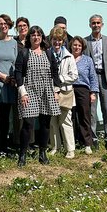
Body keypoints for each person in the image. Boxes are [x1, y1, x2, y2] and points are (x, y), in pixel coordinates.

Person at [15, 26, 61, 167]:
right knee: (28, 124)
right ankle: (22, 154)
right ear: (29, 37)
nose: (36, 37)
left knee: (45, 124)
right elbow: (18, 73)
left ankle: (42, 152)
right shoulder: (24, 53)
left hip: (47, 91)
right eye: (33, 35)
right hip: (29, 91)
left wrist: (56, 91)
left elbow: (55, 72)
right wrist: (22, 92)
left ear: (42, 37)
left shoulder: (48, 53)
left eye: (38, 34)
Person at [84, 14, 107, 152]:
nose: (96, 25)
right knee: (92, 110)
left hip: (105, 78)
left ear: (102, 25)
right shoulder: (85, 42)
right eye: (93, 23)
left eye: (98, 23)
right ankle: (93, 138)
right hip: (92, 79)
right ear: (90, 25)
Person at [0, 14, 18, 155]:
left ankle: (3, 146)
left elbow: (16, 62)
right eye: (0, 23)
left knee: (6, 117)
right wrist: (0, 75)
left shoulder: (14, 43)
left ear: (9, 25)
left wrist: (12, 78)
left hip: (9, 83)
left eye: (5, 23)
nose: (3, 25)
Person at [49, 27, 78, 159]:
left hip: (65, 92)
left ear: (63, 41)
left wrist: (60, 79)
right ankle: (55, 146)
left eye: (60, 40)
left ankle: (70, 149)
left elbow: (74, 75)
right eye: (55, 39)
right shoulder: (46, 54)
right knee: (52, 121)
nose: (57, 42)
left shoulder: (69, 56)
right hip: (50, 92)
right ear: (51, 40)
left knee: (65, 121)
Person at [71, 36, 98, 155]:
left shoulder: (87, 60)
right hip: (69, 89)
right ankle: (73, 142)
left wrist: (93, 92)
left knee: (84, 117)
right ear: (71, 46)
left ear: (82, 47)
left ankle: (87, 143)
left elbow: (93, 77)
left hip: (83, 89)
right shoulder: (67, 58)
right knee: (70, 117)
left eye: (79, 45)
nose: (77, 47)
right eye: (75, 45)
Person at [12, 17, 33, 147]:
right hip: (18, 80)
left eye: (24, 25)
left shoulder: (33, 41)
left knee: (31, 112)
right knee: (18, 114)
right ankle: (18, 142)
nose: (22, 27)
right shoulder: (14, 42)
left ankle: (30, 142)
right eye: (19, 25)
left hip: (32, 80)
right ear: (16, 28)